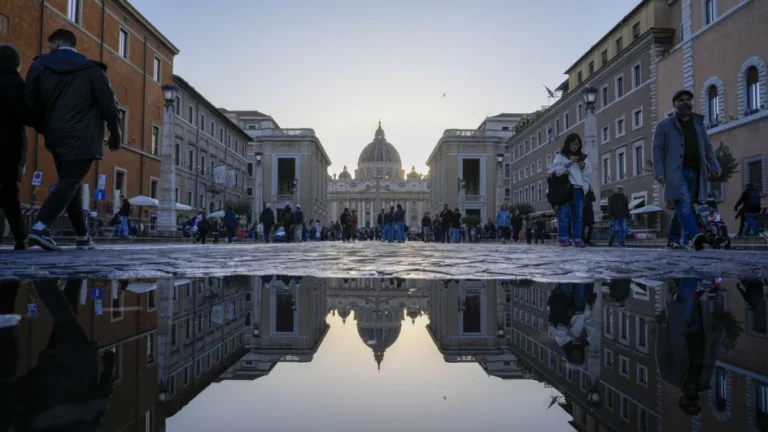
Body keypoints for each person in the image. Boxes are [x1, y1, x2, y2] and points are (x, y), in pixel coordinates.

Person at [25, 29, 122, 251]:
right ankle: (40, 227)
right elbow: (109, 104)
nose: (49, 51)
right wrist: (115, 133)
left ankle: (82, 236)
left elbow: (30, 103)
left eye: (50, 46)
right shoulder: (92, 70)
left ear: (57, 43)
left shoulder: (39, 66)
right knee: (70, 182)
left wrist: (45, 127)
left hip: (55, 136)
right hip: (85, 136)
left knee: (71, 185)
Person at [653, 89, 721, 251]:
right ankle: (696, 234)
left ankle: (673, 238)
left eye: (688, 100)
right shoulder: (664, 125)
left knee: (683, 206)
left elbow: (707, 146)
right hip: (676, 172)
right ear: (674, 104)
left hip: (696, 172)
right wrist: (659, 172)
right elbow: (657, 149)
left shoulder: (698, 124)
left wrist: (715, 165)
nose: (685, 102)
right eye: (681, 100)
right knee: (683, 203)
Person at [656, 278, 725, 416]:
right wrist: (719, 335)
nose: (692, 401)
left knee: (686, 295)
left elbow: (661, 354)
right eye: (695, 404)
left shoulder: (670, 378)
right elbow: (711, 356)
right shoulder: (704, 380)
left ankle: (691, 272)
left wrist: (662, 329)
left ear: (681, 400)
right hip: (699, 330)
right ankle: (684, 277)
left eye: (689, 404)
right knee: (695, 300)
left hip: (679, 329)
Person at [0, 44, 27, 250]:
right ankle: (20, 239)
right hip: (8, 146)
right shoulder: (18, 84)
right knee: (10, 195)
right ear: (16, 64)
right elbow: (25, 116)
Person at [548, 133, 591, 247]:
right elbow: (556, 171)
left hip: (578, 188)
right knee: (564, 214)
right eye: (573, 143)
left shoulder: (583, 157)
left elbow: (588, 172)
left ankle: (577, 238)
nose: (575, 146)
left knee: (578, 215)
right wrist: (570, 162)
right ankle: (563, 238)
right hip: (565, 189)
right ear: (568, 143)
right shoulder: (560, 156)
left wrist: (583, 166)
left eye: (577, 144)